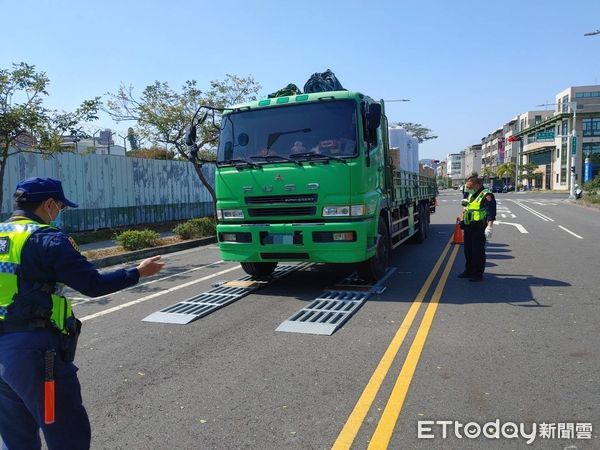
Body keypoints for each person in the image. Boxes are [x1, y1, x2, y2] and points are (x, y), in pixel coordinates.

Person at [0, 177, 165, 450]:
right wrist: (137, 272)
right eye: (60, 208)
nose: (58, 213)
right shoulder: (46, 238)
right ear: (49, 204)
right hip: (36, 361)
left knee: (15, 437)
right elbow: (93, 284)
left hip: (4, 361)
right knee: (65, 432)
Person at [457, 174, 496, 282]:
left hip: (479, 226)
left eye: (470, 186)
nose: (468, 188)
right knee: (467, 250)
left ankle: (478, 274)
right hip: (469, 225)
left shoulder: (486, 195)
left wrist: (490, 227)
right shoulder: (470, 193)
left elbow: (491, 212)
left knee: (477, 251)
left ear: (477, 185)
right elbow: (467, 207)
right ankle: (468, 270)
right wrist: (463, 220)